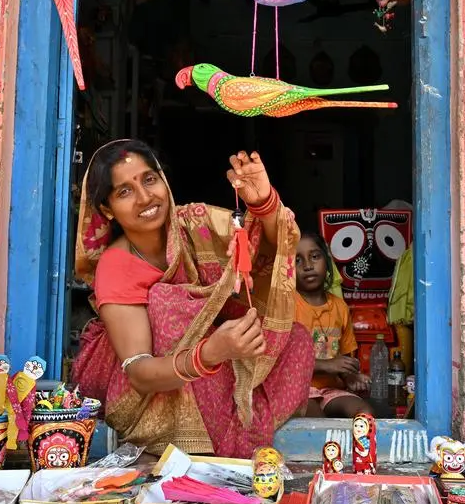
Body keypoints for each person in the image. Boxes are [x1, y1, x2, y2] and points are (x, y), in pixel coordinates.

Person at [72, 139, 313, 458]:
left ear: (163, 179)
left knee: (296, 339)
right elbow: (139, 374)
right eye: (125, 191)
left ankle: (243, 429)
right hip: (150, 393)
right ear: (107, 209)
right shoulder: (116, 267)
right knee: (166, 300)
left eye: (149, 179)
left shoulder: (193, 223)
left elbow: (262, 252)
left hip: (216, 367)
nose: (145, 198)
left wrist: (264, 204)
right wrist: (210, 353)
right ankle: (219, 441)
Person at [295, 231, 372, 418]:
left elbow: (344, 359)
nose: (307, 266)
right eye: (297, 260)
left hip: (331, 390)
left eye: (314, 257)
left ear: (327, 261)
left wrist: (351, 377)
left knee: (364, 413)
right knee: (319, 424)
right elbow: (279, 364)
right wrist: (326, 365)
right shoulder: (286, 307)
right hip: (296, 391)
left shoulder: (340, 307)